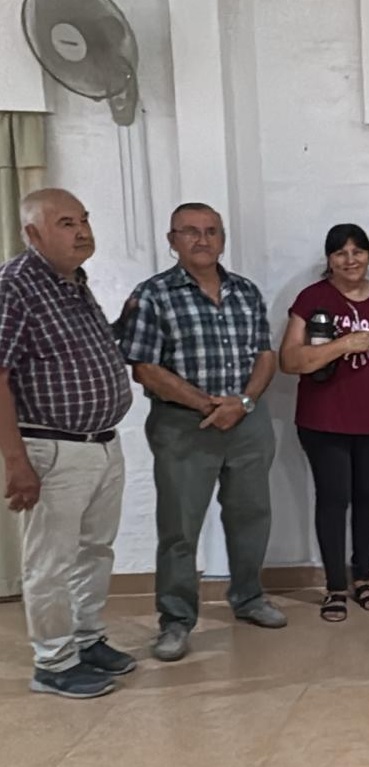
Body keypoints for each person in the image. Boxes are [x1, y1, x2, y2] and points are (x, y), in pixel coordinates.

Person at [119, 202, 284, 663]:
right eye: (190, 231)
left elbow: (265, 356)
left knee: (251, 516)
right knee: (180, 528)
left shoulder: (245, 291)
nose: (202, 239)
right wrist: (206, 405)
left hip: (247, 422)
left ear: (222, 238)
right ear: (172, 240)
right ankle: (176, 619)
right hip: (183, 426)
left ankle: (249, 598)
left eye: (211, 231)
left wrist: (244, 403)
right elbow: (145, 368)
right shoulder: (153, 295)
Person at [0, 189, 134, 698]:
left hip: (101, 443)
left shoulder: (72, 283)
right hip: (52, 450)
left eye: (83, 219)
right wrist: (16, 462)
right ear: (33, 234)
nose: (81, 230)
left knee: (94, 550)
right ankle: (54, 662)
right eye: (64, 223)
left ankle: (87, 637)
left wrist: (126, 320)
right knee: (50, 562)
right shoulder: (16, 286)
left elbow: (84, 354)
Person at [279, 223, 369, 622]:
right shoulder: (312, 298)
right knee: (333, 501)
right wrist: (344, 344)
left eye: (358, 251)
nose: (350, 260)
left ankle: (363, 577)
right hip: (324, 420)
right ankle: (335, 586)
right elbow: (290, 360)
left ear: (368, 255)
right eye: (340, 253)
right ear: (329, 260)